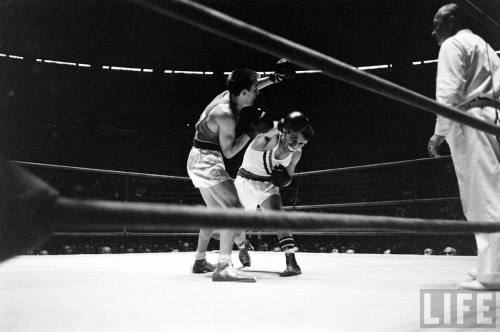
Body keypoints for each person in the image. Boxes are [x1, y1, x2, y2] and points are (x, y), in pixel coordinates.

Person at [187, 61, 295, 282]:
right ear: (244, 92)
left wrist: (274, 79)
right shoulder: (226, 114)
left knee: (215, 212)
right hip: (209, 161)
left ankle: (199, 260)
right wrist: (251, 130)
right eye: (254, 89)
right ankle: (223, 267)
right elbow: (229, 152)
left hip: (196, 158)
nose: (257, 92)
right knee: (234, 210)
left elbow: (249, 86)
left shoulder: (228, 95)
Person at [427, 3, 500, 290]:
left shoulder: (453, 44)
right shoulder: (484, 45)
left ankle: (493, 273)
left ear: (452, 20)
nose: (433, 30)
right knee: (494, 191)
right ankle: (490, 265)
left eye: (437, 22)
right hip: (493, 117)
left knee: (482, 197)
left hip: (470, 119)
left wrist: (439, 133)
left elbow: (449, 91)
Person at [233, 111, 314, 276]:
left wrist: (283, 179)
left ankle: (292, 263)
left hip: (268, 186)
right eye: (294, 139)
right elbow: (266, 126)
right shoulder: (268, 138)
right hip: (245, 183)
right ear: (286, 132)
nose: (296, 146)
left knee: (279, 216)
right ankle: (242, 246)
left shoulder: (296, 153)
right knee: (234, 225)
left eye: (301, 143)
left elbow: (289, 177)